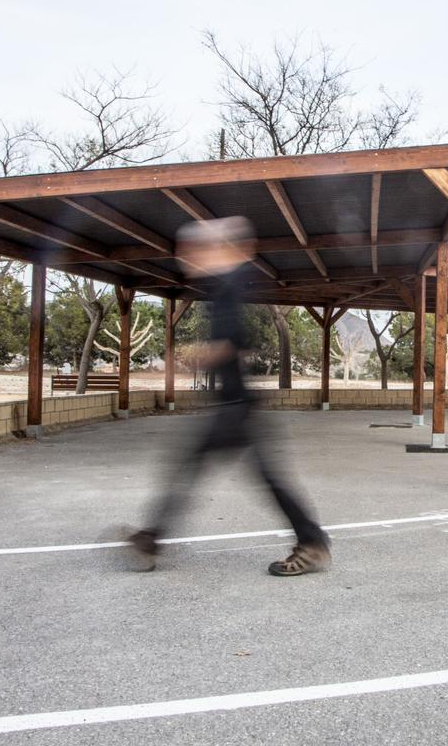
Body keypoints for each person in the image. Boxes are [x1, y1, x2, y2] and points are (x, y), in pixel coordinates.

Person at [122, 216, 331, 576]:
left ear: (214, 249)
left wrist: (188, 357)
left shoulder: (227, 287)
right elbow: (243, 347)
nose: (183, 257)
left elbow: (231, 345)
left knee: (199, 469)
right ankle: (311, 542)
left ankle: (312, 543)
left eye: (189, 249)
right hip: (235, 406)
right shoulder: (227, 285)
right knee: (213, 470)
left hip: (235, 408)